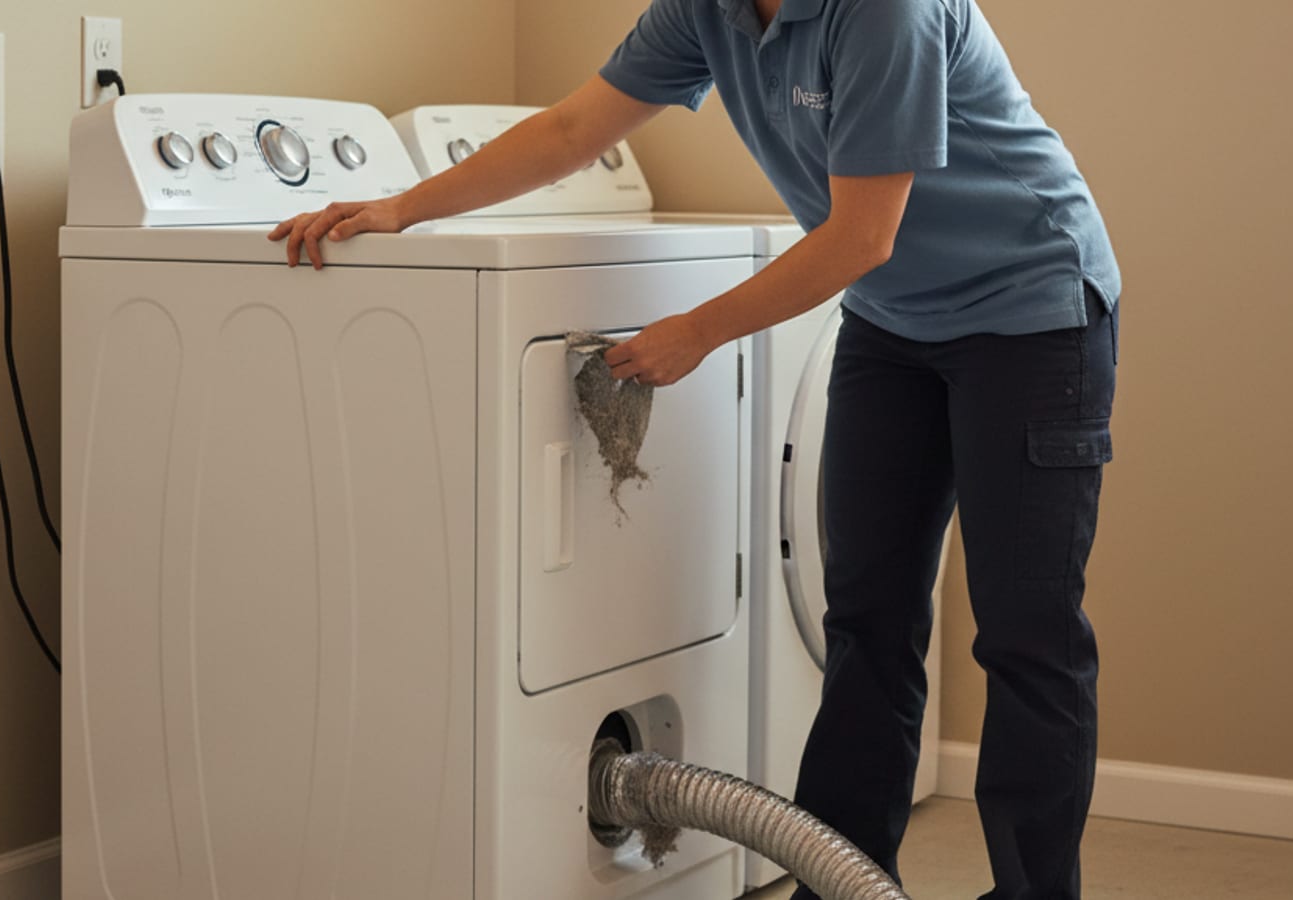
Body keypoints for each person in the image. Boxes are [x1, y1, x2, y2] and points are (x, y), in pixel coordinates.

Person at [270, 1, 1119, 896]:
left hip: (1031, 316)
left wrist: (698, 332)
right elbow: (570, 129)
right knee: (867, 622)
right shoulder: (703, 10)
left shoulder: (884, 11)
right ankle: (843, 883)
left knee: (1027, 636)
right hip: (893, 322)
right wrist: (403, 206)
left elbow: (864, 234)